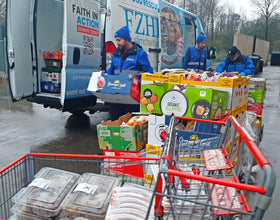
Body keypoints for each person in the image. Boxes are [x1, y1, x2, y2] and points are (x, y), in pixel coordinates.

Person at [106, 26, 153, 120]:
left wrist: (137, 82)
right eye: (116, 40)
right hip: (116, 96)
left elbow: (149, 73)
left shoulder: (140, 54)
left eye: (119, 40)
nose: (117, 43)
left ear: (126, 39)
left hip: (132, 98)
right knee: (116, 121)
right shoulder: (116, 54)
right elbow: (111, 71)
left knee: (131, 122)